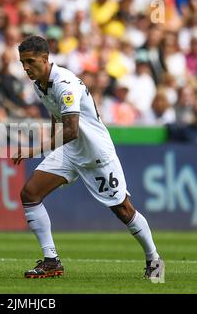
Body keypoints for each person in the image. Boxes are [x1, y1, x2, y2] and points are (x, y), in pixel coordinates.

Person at [12, 36, 164, 280]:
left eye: (30, 61)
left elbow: (71, 130)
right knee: (30, 194)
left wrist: (35, 149)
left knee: (123, 209)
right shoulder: (39, 84)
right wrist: (53, 152)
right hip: (69, 151)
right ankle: (51, 261)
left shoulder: (64, 83)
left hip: (95, 154)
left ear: (45, 59)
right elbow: (56, 115)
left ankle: (154, 259)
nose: (26, 68)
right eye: (22, 63)